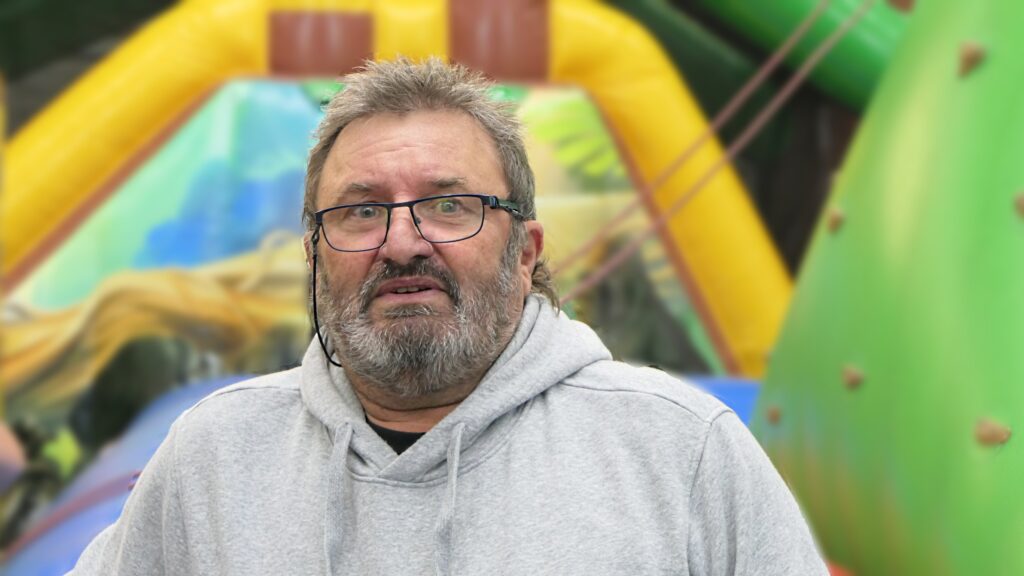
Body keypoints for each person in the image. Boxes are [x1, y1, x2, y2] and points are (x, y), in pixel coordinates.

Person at [69, 58, 828, 575]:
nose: (402, 242)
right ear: (314, 255)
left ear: (525, 252)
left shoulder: (679, 453)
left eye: (449, 205)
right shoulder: (214, 459)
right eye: (361, 211)